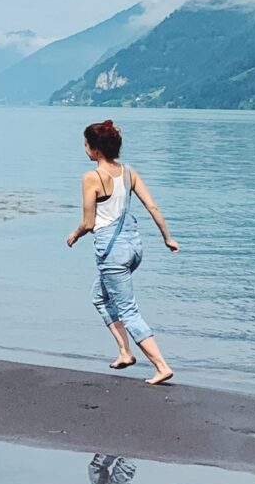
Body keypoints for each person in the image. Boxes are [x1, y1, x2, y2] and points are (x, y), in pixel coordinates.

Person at [66, 119, 178, 383]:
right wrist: (168, 238)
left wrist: (74, 234)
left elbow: (89, 223)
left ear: (95, 149)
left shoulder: (91, 178)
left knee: (128, 310)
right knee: (100, 296)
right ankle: (125, 352)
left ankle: (161, 366)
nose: (84, 149)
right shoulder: (129, 172)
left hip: (112, 252)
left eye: (85, 144)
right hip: (134, 247)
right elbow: (153, 208)